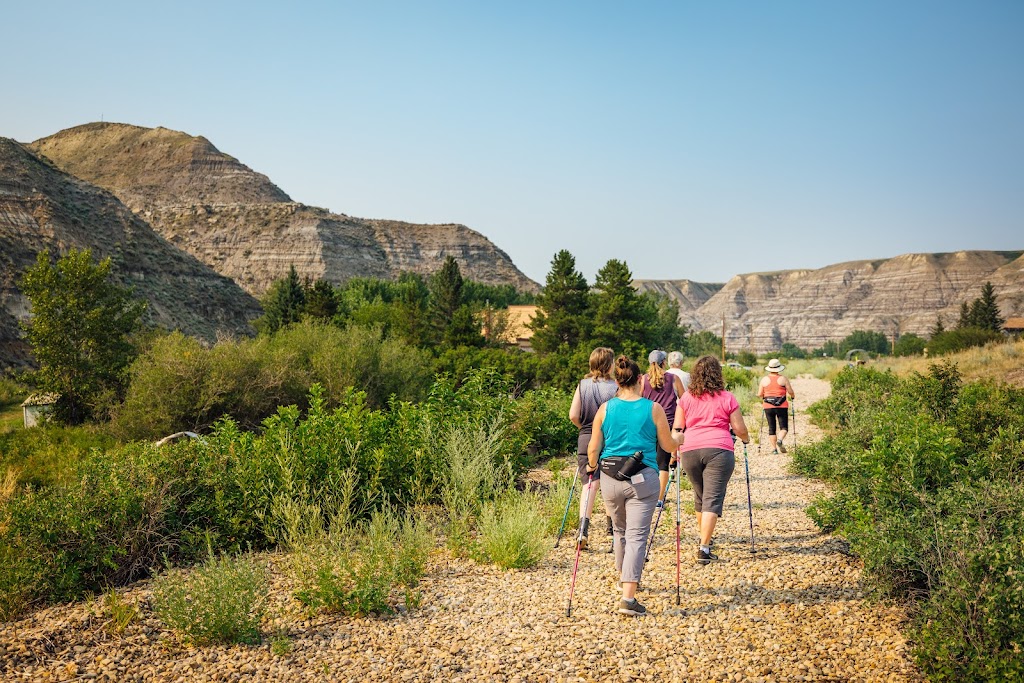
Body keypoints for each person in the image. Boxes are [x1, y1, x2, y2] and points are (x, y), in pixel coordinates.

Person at [587, 355, 681, 616]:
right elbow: (668, 446)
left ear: (617, 381)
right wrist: (679, 437)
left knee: (619, 530)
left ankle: (623, 578)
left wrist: (591, 465)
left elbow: (594, 448)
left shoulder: (605, 408)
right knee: (638, 535)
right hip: (644, 477)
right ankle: (628, 598)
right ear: (640, 380)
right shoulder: (653, 409)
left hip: (610, 478)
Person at [677, 355, 750, 565]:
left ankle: (705, 539)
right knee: (712, 499)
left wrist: (675, 450)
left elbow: (679, 428)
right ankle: (704, 547)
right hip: (719, 449)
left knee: (700, 497)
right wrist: (745, 439)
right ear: (718, 374)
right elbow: (739, 428)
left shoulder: (687, 398)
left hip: (690, 450)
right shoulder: (727, 397)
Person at [568, 347, 617, 551]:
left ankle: (583, 530)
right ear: (609, 364)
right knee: (610, 484)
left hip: (586, 437)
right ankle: (612, 529)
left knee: (590, 485)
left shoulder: (582, 385)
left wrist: (585, 428)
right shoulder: (615, 387)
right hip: (609, 438)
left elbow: (573, 415)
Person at [641, 350, 684, 501]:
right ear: (664, 362)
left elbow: (638, 400)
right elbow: (685, 401)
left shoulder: (643, 380)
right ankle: (659, 499)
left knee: (647, 461)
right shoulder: (673, 379)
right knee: (663, 463)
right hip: (668, 424)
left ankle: (646, 494)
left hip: (647, 424)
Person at [757, 358, 795, 454]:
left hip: (768, 406)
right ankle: (780, 440)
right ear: (779, 369)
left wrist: (765, 396)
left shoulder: (764, 380)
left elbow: (760, 394)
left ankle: (774, 449)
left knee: (771, 428)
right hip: (781, 405)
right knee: (784, 427)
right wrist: (793, 396)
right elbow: (790, 391)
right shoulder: (783, 379)